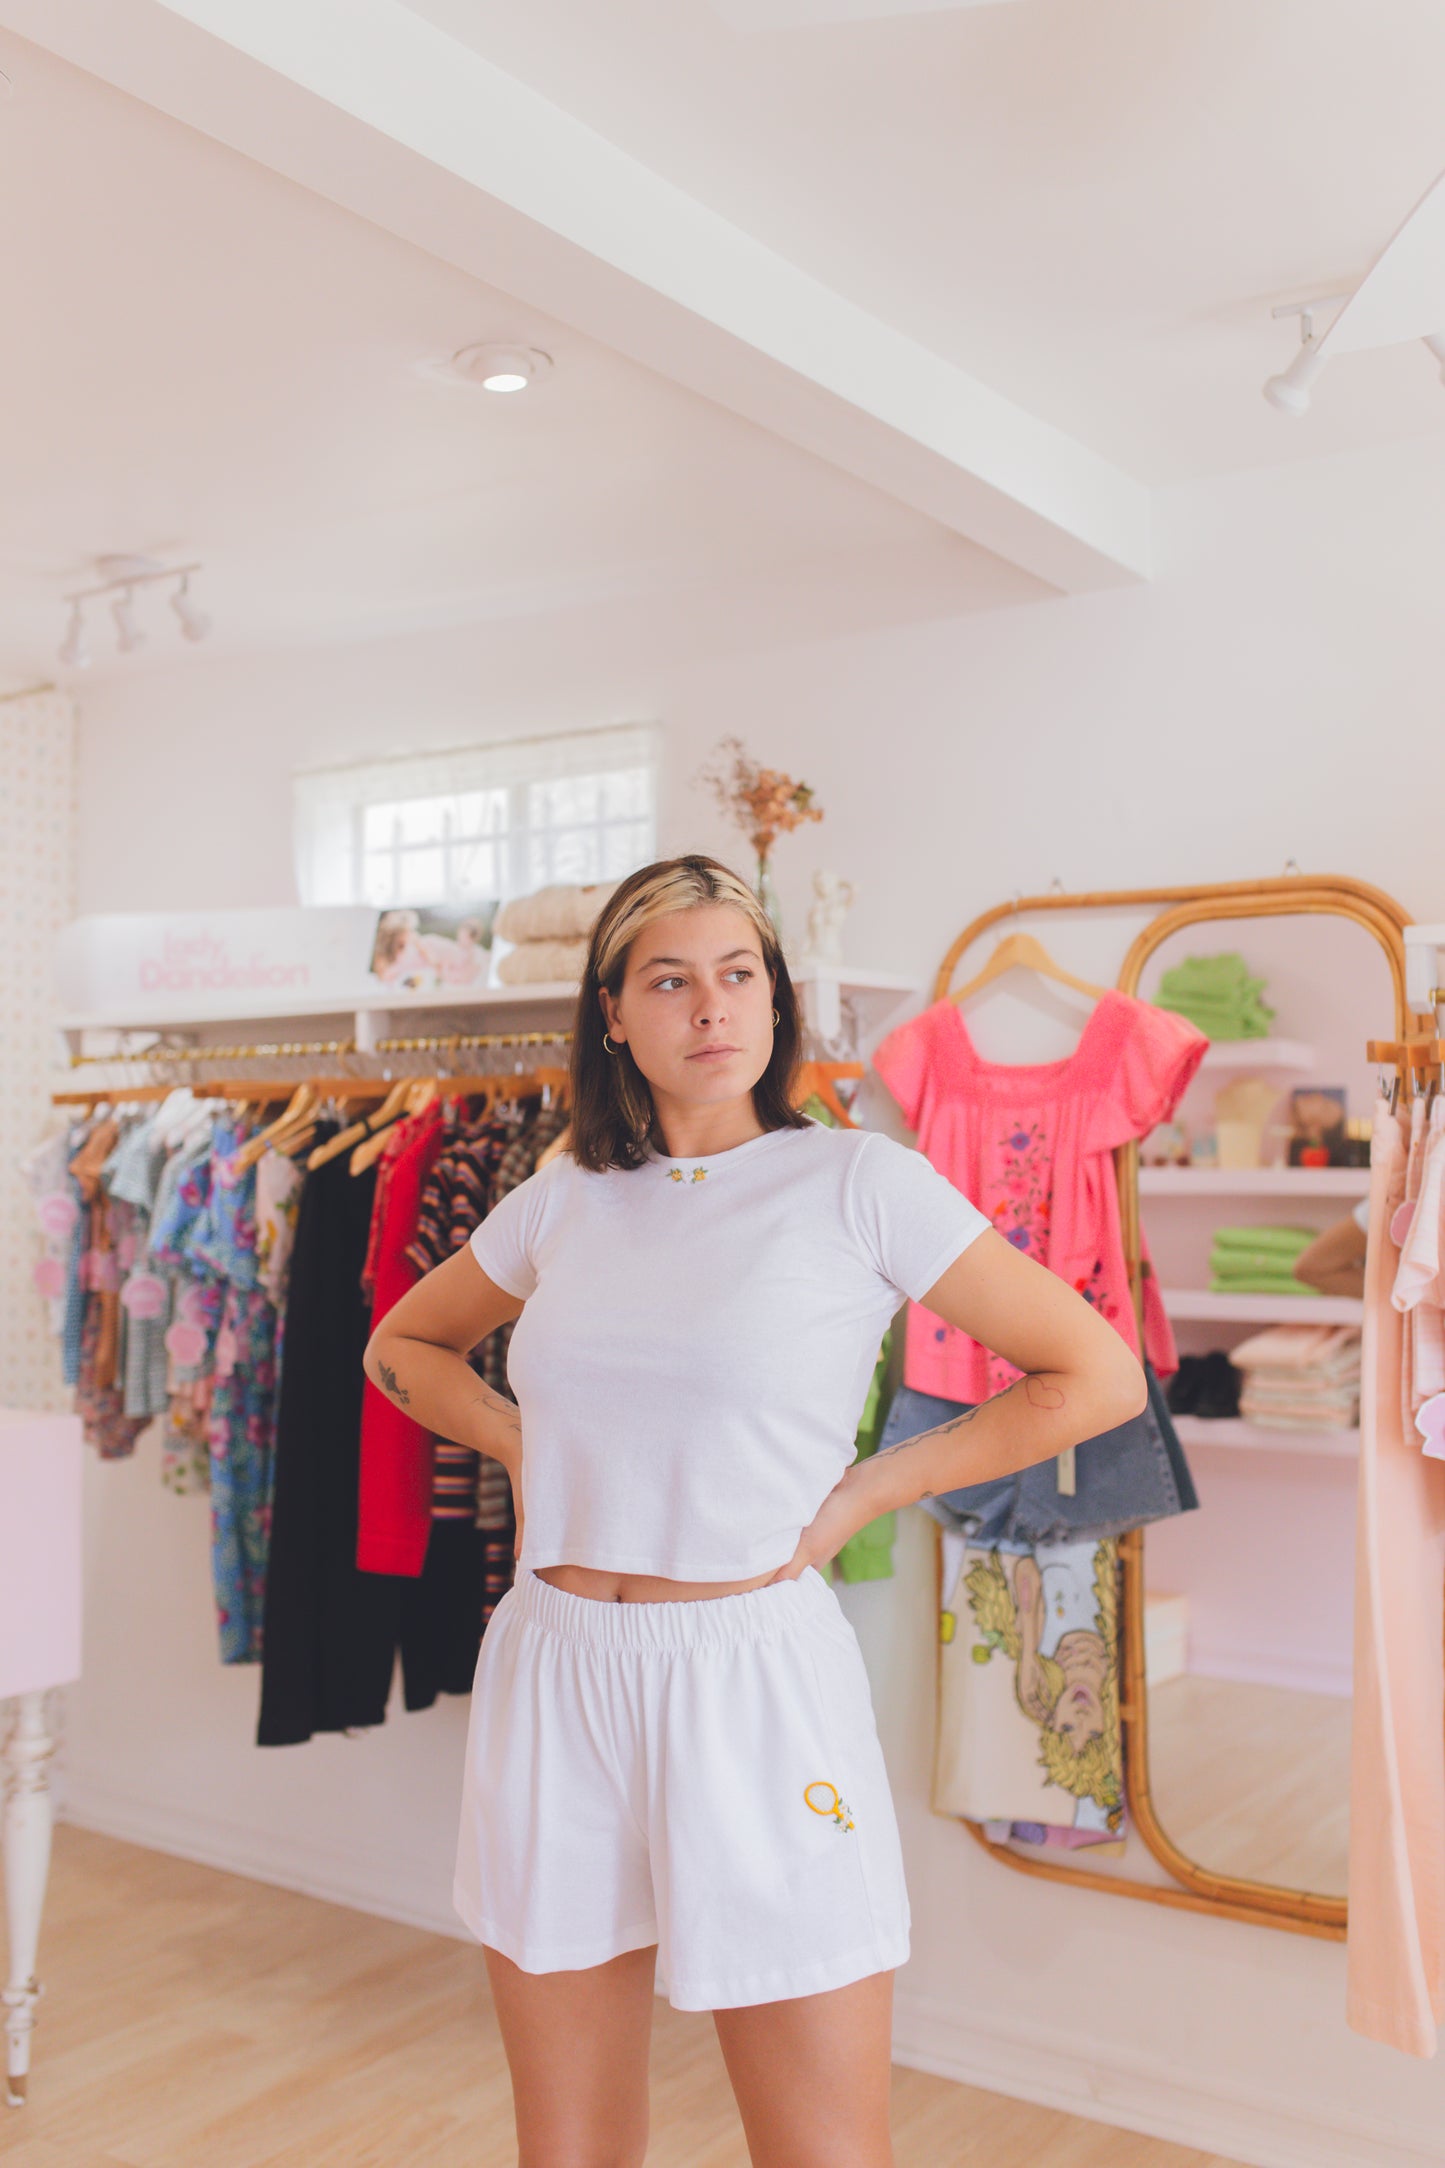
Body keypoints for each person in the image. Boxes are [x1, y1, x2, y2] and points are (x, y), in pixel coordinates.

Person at [363, 853, 1145, 2168]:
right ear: (613, 1013)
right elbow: (403, 1348)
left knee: (820, 2151)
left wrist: (867, 1490)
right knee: (565, 2148)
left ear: (775, 1005)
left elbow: (1095, 1374)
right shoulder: (562, 1200)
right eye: (670, 981)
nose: (711, 1008)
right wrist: (520, 1442)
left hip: (753, 1686)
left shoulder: (857, 1181)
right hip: (555, 1674)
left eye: (739, 977)